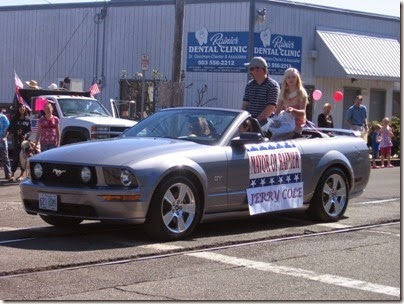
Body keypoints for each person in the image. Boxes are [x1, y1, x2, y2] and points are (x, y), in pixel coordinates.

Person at [241, 56, 280, 123]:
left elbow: (270, 108)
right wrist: (242, 120)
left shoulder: (273, 85)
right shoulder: (249, 85)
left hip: (266, 122)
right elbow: (245, 104)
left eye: (251, 69)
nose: (249, 72)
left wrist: (256, 122)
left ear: (260, 69)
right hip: (250, 121)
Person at [273, 67, 308, 139]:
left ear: (297, 79)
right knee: (273, 138)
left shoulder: (301, 92)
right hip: (286, 122)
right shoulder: (283, 92)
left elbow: (303, 113)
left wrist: (293, 110)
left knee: (281, 139)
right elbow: (278, 109)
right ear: (285, 79)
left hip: (297, 125)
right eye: (288, 77)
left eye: (293, 77)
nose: (291, 79)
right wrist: (275, 119)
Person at [4, 103, 31, 181]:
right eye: (20, 107)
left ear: (25, 108)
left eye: (23, 107)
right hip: (16, 141)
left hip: (25, 142)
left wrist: (26, 135)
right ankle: (12, 175)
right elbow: (9, 129)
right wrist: (14, 132)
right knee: (15, 157)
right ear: (18, 109)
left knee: (23, 158)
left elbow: (30, 131)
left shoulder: (27, 119)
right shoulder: (14, 118)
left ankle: (22, 175)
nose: (22, 108)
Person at [0, 109, 11, 179]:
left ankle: (8, 173)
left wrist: (4, 137)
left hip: (2, 141)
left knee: (5, 158)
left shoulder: (3, 117)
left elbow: (8, 128)